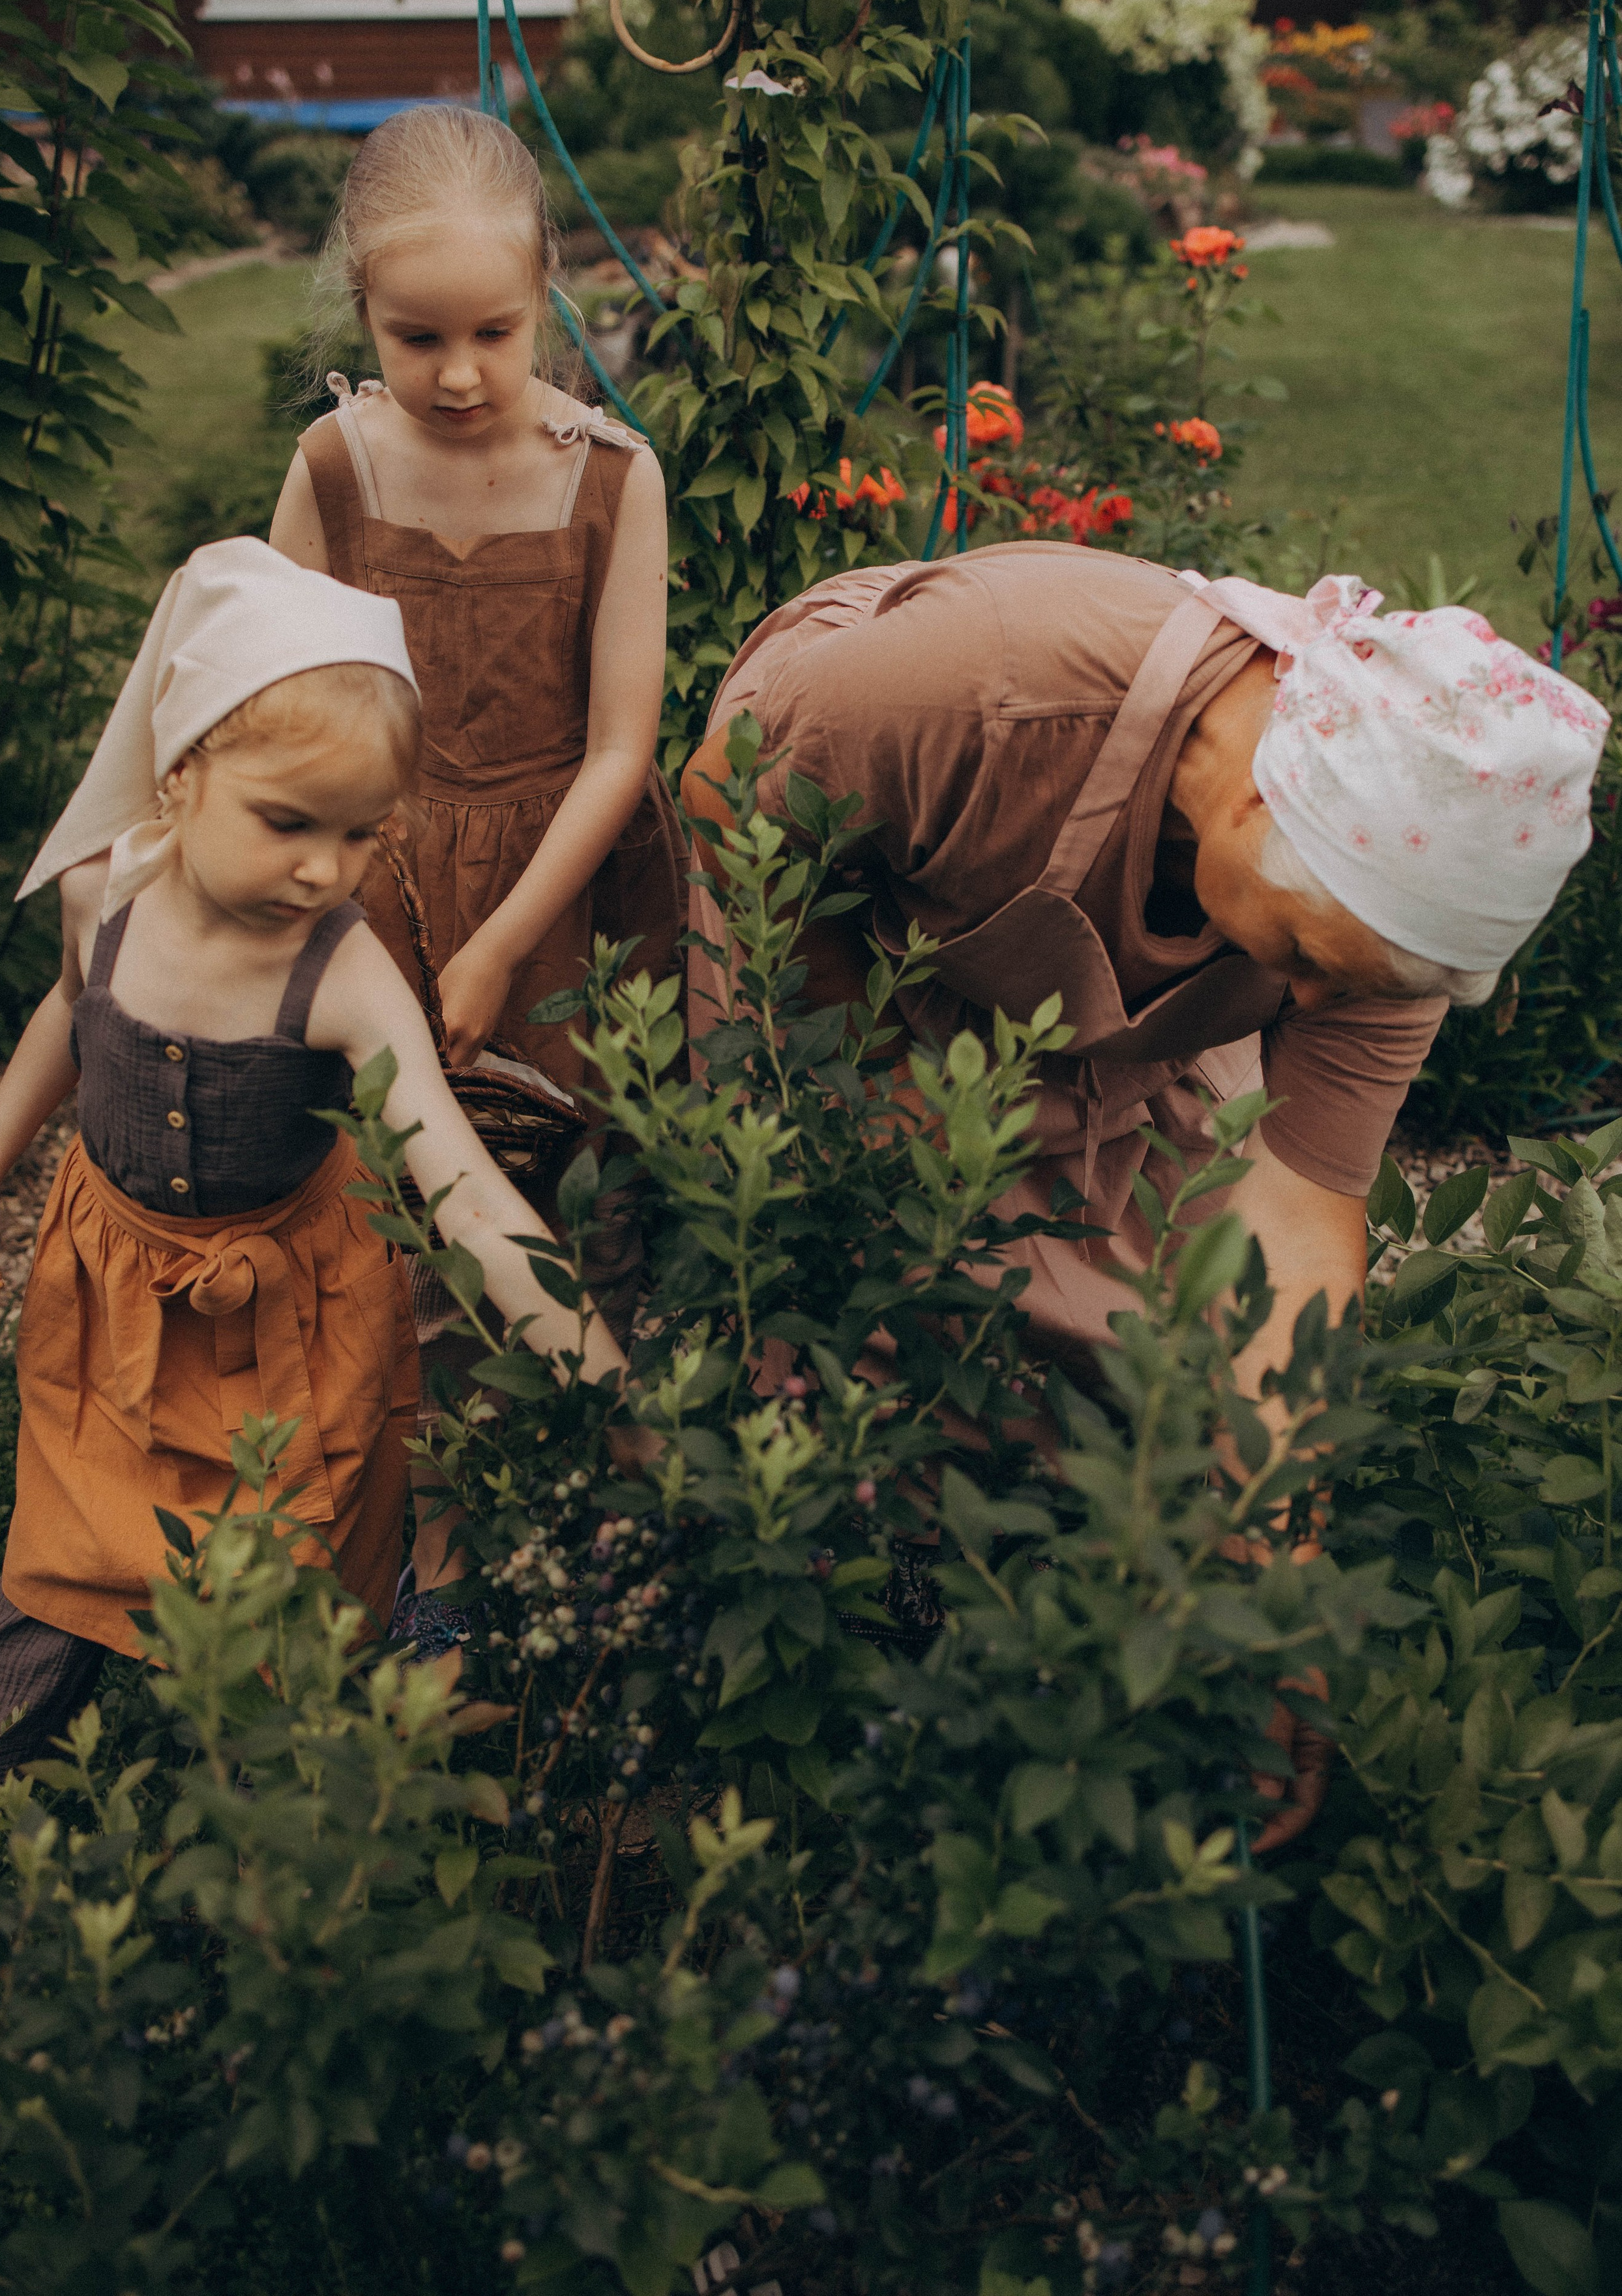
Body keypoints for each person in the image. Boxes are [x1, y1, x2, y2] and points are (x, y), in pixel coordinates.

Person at [681, 546, 1610, 1843]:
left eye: (1343, 984)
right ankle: (825, 1667)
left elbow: (1296, 1220)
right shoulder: (987, 691)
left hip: (1076, 966)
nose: (1305, 1006)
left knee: (1118, 1330)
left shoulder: (1385, 922)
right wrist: (866, 1065)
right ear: (1262, 804)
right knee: (843, 1274)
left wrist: (1278, 1576)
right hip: (835, 903)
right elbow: (733, 796)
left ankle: (994, 1624)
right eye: (1304, 958)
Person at [0, 540, 639, 1779]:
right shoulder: (103, 896)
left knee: (296, 1584)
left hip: (292, 1325)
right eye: (287, 823)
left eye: (362, 834)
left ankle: (290, 1816)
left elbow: (466, 1192)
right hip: (115, 1297)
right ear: (180, 771)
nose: (326, 869)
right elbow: (67, 1012)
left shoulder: (344, 973)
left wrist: (596, 1366)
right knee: (65, 1543)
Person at [268, 102, 686, 1100]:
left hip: (562, 896)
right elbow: (276, 712)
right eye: (417, 338)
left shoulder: (614, 480)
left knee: (562, 1147)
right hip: (370, 880)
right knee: (371, 1148)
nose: (459, 375)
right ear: (364, 308)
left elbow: (619, 750)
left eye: (495, 332)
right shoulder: (334, 471)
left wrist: (499, 949)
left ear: (543, 292)